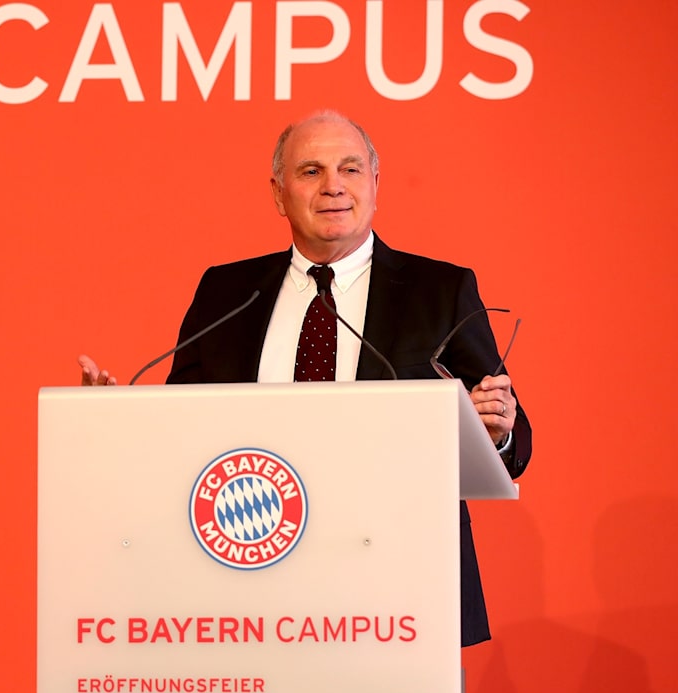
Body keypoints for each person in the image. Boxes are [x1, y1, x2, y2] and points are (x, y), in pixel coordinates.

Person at [77, 110, 532, 647]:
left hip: (399, 586)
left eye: (350, 169)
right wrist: (116, 423)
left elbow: (514, 441)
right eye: (311, 171)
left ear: (375, 184)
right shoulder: (227, 292)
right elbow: (182, 427)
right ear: (278, 193)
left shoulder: (441, 290)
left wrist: (496, 430)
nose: (333, 186)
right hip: (251, 576)